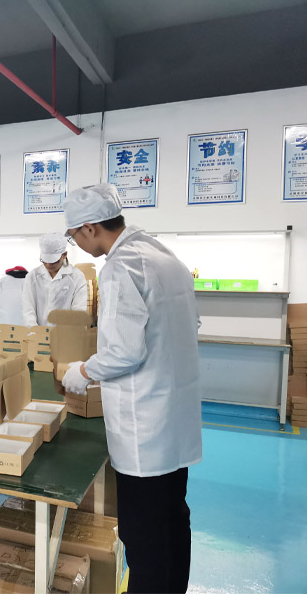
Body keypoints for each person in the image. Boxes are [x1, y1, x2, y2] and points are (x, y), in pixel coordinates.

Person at [60, 183, 202, 594]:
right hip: (174, 419)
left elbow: (124, 352)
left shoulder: (121, 268)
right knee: (173, 520)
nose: (76, 243)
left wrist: (82, 371)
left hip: (145, 430)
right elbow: (189, 325)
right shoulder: (164, 257)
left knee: (143, 537)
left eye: (74, 235)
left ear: (90, 228)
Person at [22, 233, 88, 326]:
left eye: (54, 261)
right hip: (37, 333)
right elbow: (28, 309)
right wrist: (35, 331)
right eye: (45, 261)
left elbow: (79, 310)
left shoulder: (76, 277)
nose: (48, 265)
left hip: (66, 332)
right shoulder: (32, 276)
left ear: (64, 255)